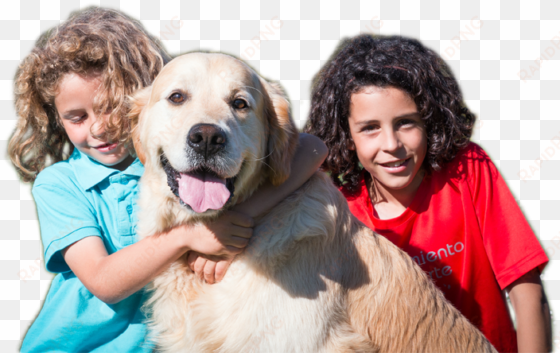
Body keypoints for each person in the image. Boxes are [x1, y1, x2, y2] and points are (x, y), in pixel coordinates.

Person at [9, 7, 327, 352]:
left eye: (109, 107)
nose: (98, 127)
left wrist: (242, 216)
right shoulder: (59, 184)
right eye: (76, 117)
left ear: (137, 111)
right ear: (55, 118)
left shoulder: (155, 165)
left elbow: (312, 149)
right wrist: (189, 236)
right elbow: (103, 281)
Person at [305, 34, 552, 353]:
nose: (392, 144)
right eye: (370, 128)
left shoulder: (467, 171)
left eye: (406, 123)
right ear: (346, 135)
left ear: (429, 120)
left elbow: (527, 290)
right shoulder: (339, 211)